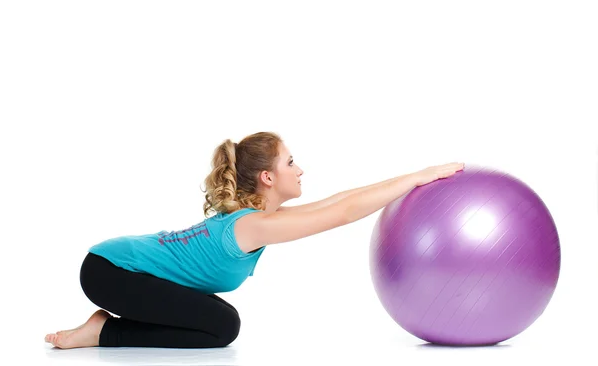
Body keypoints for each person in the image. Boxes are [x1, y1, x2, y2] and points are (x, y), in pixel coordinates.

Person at [44, 131, 464, 349]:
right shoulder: (251, 226)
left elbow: (342, 200)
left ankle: (105, 330)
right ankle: (103, 334)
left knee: (220, 324)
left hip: (117, 268)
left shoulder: (257, 220)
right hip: (110, 272)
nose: (300, 169)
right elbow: (341, 213)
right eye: (290, 162)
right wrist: (421, 175)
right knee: (222, 326)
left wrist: (415, 177)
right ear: (268, 177)